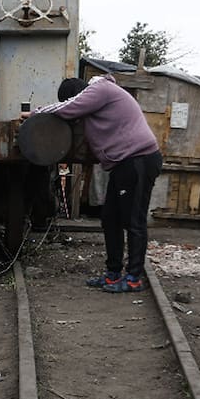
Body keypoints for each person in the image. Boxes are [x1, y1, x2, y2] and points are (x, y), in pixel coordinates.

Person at [34, 73, 162, 293]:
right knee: (110, 219)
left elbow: (68, 108)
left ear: (79, 95)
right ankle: (113, 274)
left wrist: (35, 113)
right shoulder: (102, 96)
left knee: (133, 220)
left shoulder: (100, 89)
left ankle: (134, 278)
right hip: (124, 163)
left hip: (138, 159)